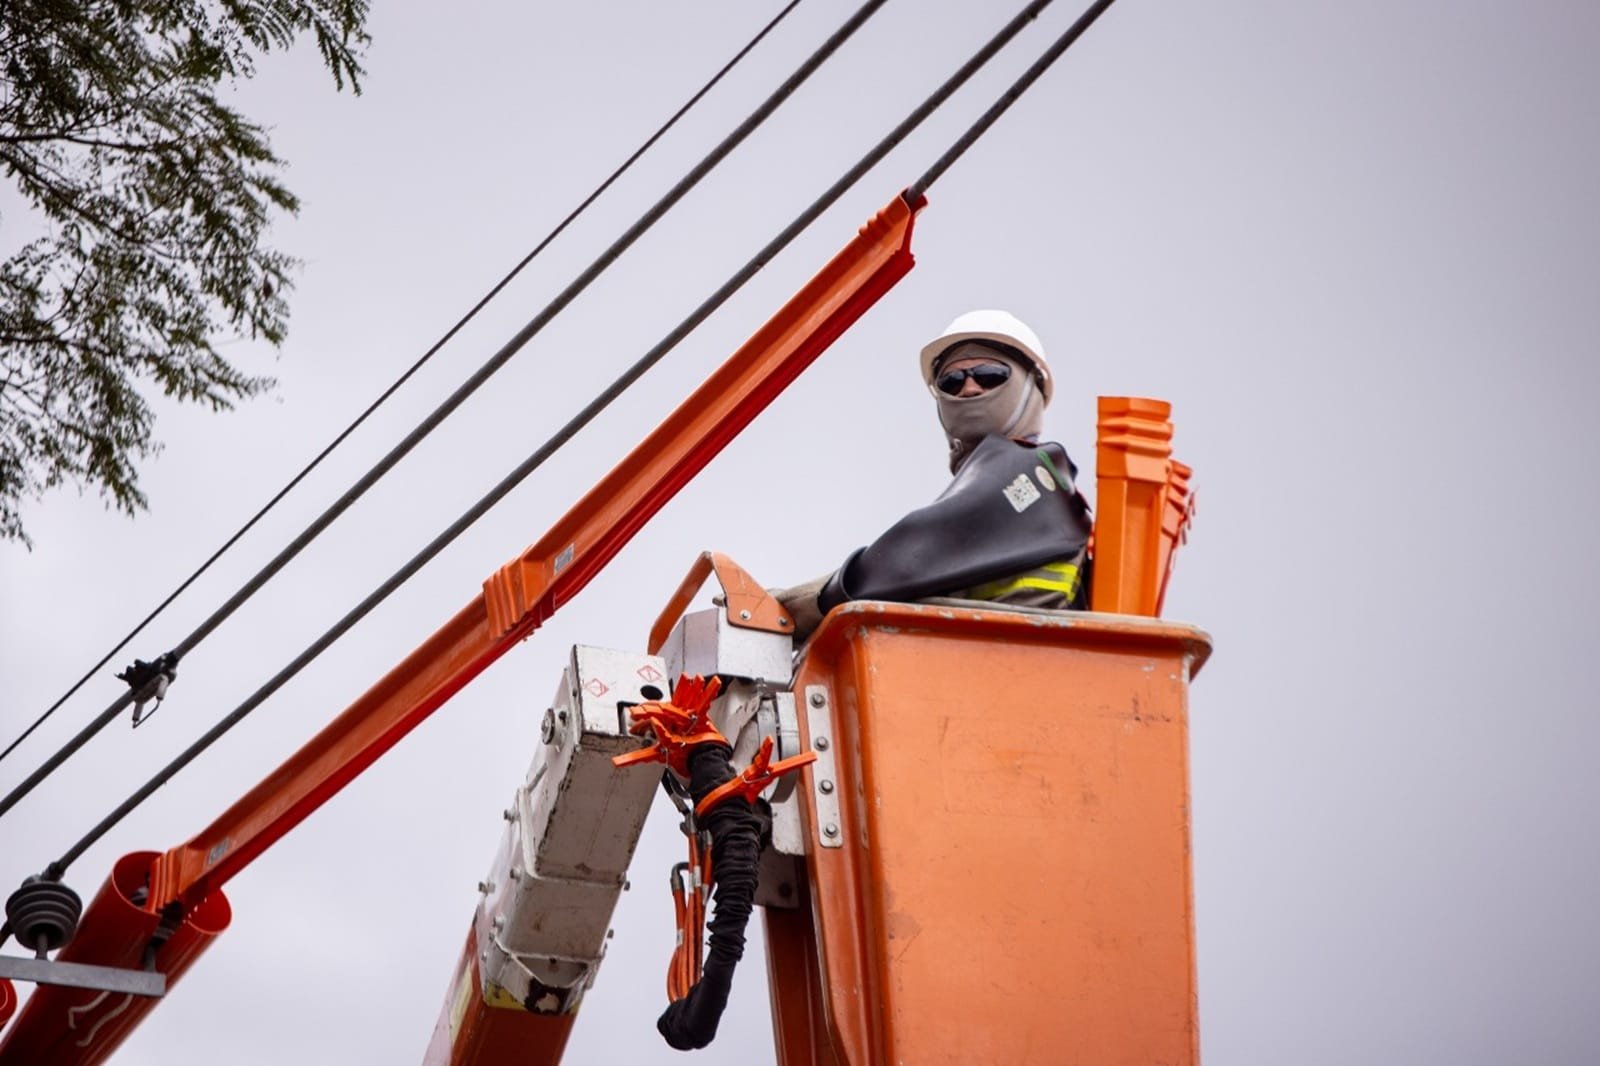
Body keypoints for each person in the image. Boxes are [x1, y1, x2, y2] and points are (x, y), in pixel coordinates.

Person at [777, 309, 1092, 639]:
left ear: (1032, 386)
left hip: (1016, 662)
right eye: (952, 381)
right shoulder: (1020, 489)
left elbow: (912, 554)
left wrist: (795, 608)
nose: (969, 389)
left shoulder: (1030, 470)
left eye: (989, 374)